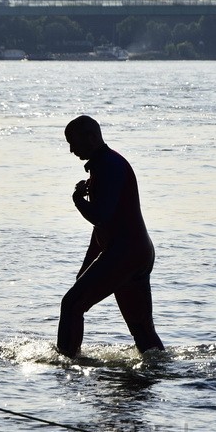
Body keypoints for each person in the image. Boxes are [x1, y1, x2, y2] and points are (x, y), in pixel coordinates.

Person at [57, 115, 165, 358]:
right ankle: (158, 372)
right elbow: (102, 230)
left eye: (73, 143)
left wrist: (76, 201)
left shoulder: (108, 165)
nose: (71, 150)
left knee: (72, 306)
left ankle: (65, 365)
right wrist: (85, 268)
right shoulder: (102, 166)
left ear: (92, 137)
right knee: (141, 329)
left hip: (126, 253)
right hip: (135, 253)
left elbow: (100, 217)